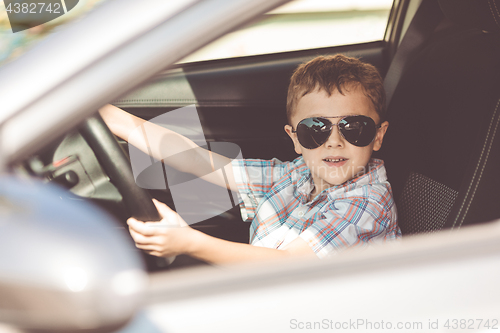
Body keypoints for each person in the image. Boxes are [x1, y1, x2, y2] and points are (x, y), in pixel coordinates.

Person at [99, 54, 401, 265]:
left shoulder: (367, 201)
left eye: (354, 128)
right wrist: (119, 123)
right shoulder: (297, 174)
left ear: (378, 135)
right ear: (295, 138)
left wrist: (189, 242)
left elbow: (287, 265)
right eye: (315, 130)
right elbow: (200, 161)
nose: (335, 141)